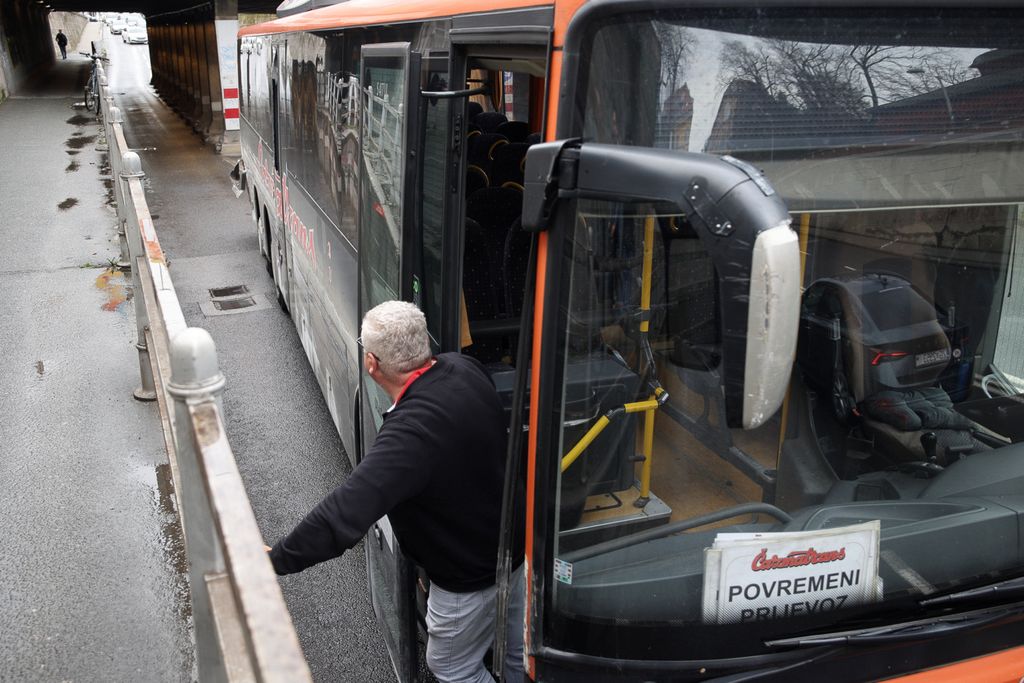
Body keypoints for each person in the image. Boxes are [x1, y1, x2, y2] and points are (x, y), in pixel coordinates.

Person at [268, 300, 525, 682]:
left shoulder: (410, 436)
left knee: (453, 668)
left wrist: (277, 560)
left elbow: (344, 512)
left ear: (372, 364)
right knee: (515, 651)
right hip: (512, 550)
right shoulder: (464, 368)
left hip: (468, 578)